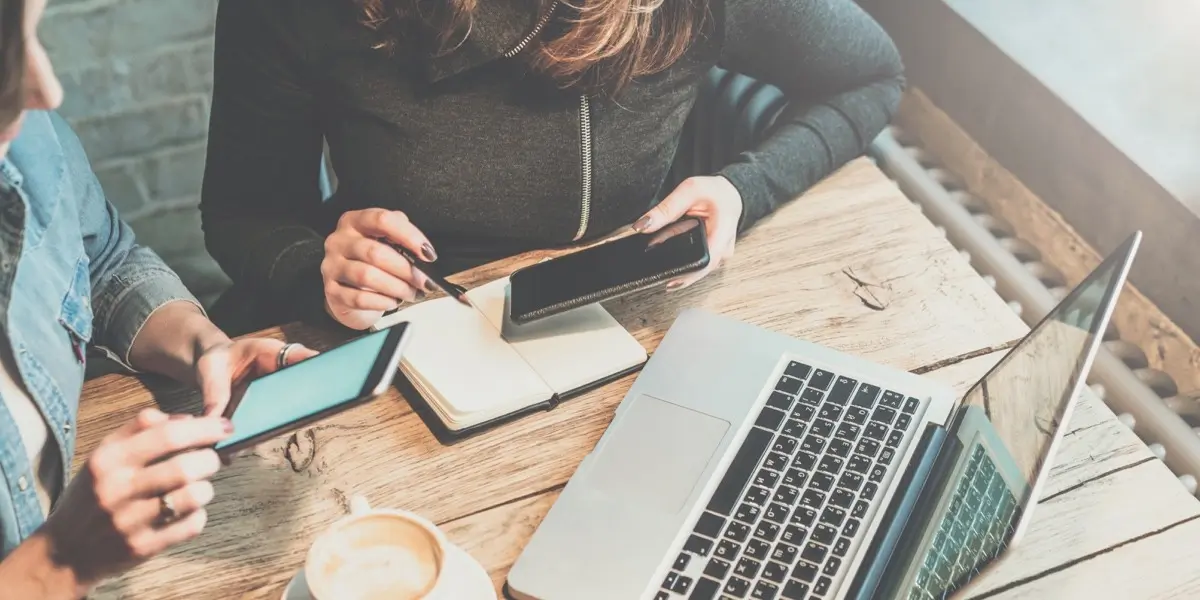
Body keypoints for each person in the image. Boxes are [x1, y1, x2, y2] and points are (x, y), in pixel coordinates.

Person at [200, 0, 905, 333]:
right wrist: (314, 265)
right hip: (396, 334)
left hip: (628, 317)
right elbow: (243, 209)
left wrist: (744, 188)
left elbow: (869, 76)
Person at [0, 0, 317, 596]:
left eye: (28, 35)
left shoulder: (27, 137)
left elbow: (104, 260)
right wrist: (56, 563)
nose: (44, 90)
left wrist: (205, 348)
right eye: (3, 58)